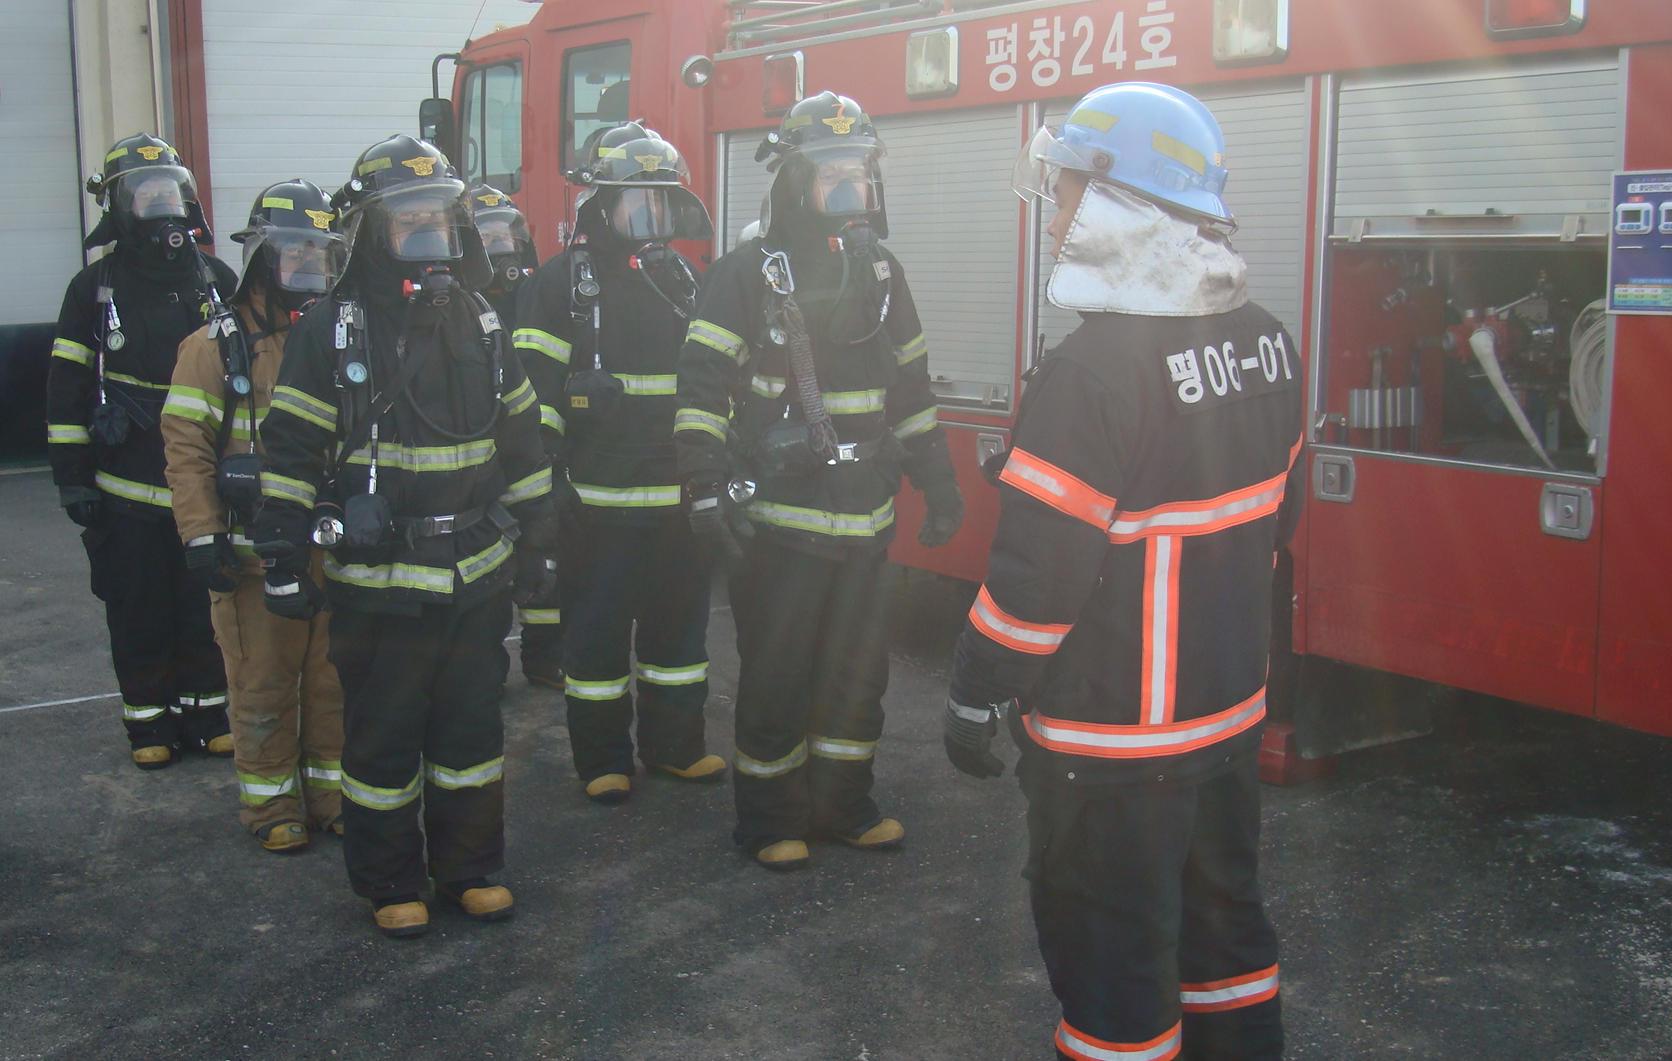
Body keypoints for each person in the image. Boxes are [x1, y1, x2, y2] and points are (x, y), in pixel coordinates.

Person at [942, 82, 1300, 1061]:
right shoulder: (1269, 341)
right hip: (1227, 721)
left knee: (1115, 975)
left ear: (1123, 206)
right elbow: (1278, 520)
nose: (1055, 218)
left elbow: (1038, 579)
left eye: (1066, 194)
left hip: (1111, 748)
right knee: (1226, 946)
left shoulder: (1095, 371)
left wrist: (975, 687)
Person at [252, 135, 556, 939]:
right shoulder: (332, 330)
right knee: (383, 744)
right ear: (368, 234)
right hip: (379, 586)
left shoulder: (481, 320)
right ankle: (390, 881)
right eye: (408, 219)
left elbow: (522, 440)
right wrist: (282, 556)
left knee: (471, 736)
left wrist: (541, 538)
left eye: (438, 217)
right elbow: (290, 450)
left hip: (475, 575)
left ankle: (470, 869)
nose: (428, 234)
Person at [674, 93, 964, 870]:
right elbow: (701, 389)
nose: (848, 187)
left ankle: (844, 807)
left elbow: (911, 389)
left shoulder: (882, 273)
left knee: (857, 678)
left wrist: (938, 480)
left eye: (858, 172)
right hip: (782, 524)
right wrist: (704, 484)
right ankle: (771, 821)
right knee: (778, 676)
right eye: (830, 172)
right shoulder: (746, 274)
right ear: (793, 181)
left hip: (865, 521)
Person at [513, 121, 726, 804]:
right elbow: (532, 395)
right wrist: (546, 484)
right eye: (638, 203)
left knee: (679, 640)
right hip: (597, 509)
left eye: (662, 204)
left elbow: (711, 383)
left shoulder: (684, 282)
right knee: (597, 642)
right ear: (600, 205)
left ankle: (677, 748)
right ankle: (602, 759)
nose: (651, 220)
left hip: (678, 506)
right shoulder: (560, 285)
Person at [162, 179, 347, 852]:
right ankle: (271, 807)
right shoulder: (215, 347)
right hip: (252, 557)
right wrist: (202, 535)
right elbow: (186, 449)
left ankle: (332, 797)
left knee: (332, 683)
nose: (308, 265)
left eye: (319, 253)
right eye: (294, 251)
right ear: (262, 257)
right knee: (263, 686)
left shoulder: (338, 338)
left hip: (330, 549)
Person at [47, 133, 237, 770]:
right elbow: (67, 387)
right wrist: (74, 479)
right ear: (119, 206)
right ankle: (148, 725)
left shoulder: (217, 280)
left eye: (170, 194)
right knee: (138, 609)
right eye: (145, 195)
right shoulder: (93, 288)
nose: (161, 207)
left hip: (203, 485)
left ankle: (209, 717)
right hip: (125, 490)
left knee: (207, 604)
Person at [467, 184, 560, 688]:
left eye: (507, 235)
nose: (501, 247)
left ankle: (545, 659)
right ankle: (488, 671)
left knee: (543, 553)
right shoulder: (462, 306)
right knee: (487, 567)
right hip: (485, 452)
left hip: (534, 447)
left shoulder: (539, 298)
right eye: (488, 237)